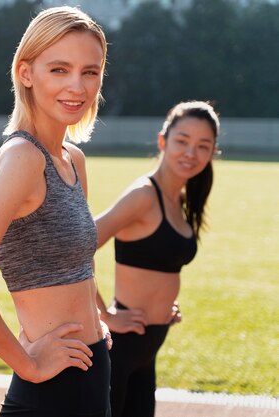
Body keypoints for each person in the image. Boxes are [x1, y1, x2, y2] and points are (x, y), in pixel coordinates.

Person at [0, 6, 111, 417]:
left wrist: (99, 318)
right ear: (26, 73)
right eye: (59, 69)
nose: (77, 85)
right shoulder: (23, 158)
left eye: (91, 71)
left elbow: (79, 263)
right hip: (52, 392)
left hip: (91, 371)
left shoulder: (72, 158)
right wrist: (28, 363)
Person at [94, 101, 220, 417]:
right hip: (121, 347)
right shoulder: (144, 195)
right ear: (163, 141)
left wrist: (164, 305)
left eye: (202, 146)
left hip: (149, 348)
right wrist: (104, 315)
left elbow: (160, 266)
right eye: (182, 141)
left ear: (212, 152)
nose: (191, 152)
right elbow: (77, 246)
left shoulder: (179, 201)